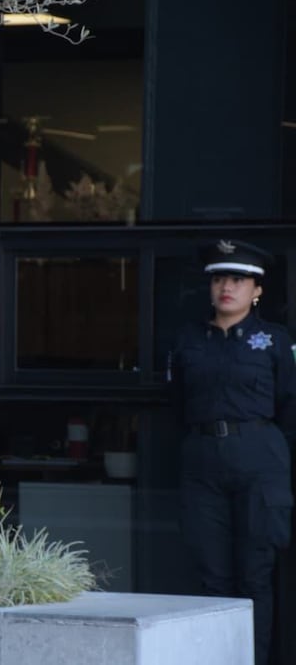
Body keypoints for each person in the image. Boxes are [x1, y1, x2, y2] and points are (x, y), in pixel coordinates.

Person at [169, 239, 296, 665]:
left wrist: (268, 454)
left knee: (255, 577)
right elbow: (177, 404)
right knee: (212, 578)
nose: (227, 287)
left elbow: (289, 406)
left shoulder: (275, 341)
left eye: (238, 279)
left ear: (257, 289)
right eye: (220, 278)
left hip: (259, 462)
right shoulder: (188, 339)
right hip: (202, 462)